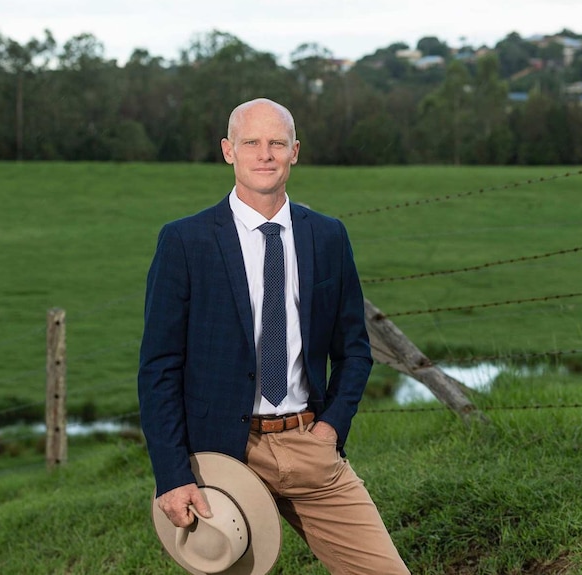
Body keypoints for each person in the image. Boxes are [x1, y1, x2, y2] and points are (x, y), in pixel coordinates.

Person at [138, 98, 409, 575]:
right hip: (220, 456)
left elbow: (354, 350)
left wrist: (331, 428)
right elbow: (159, 367)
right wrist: (172, 474)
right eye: (251, 143)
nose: (265, 154)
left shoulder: (327, 236)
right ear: (229, 151)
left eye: (276, 143)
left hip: (309, 443)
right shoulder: (185, 241)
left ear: (294, 151)